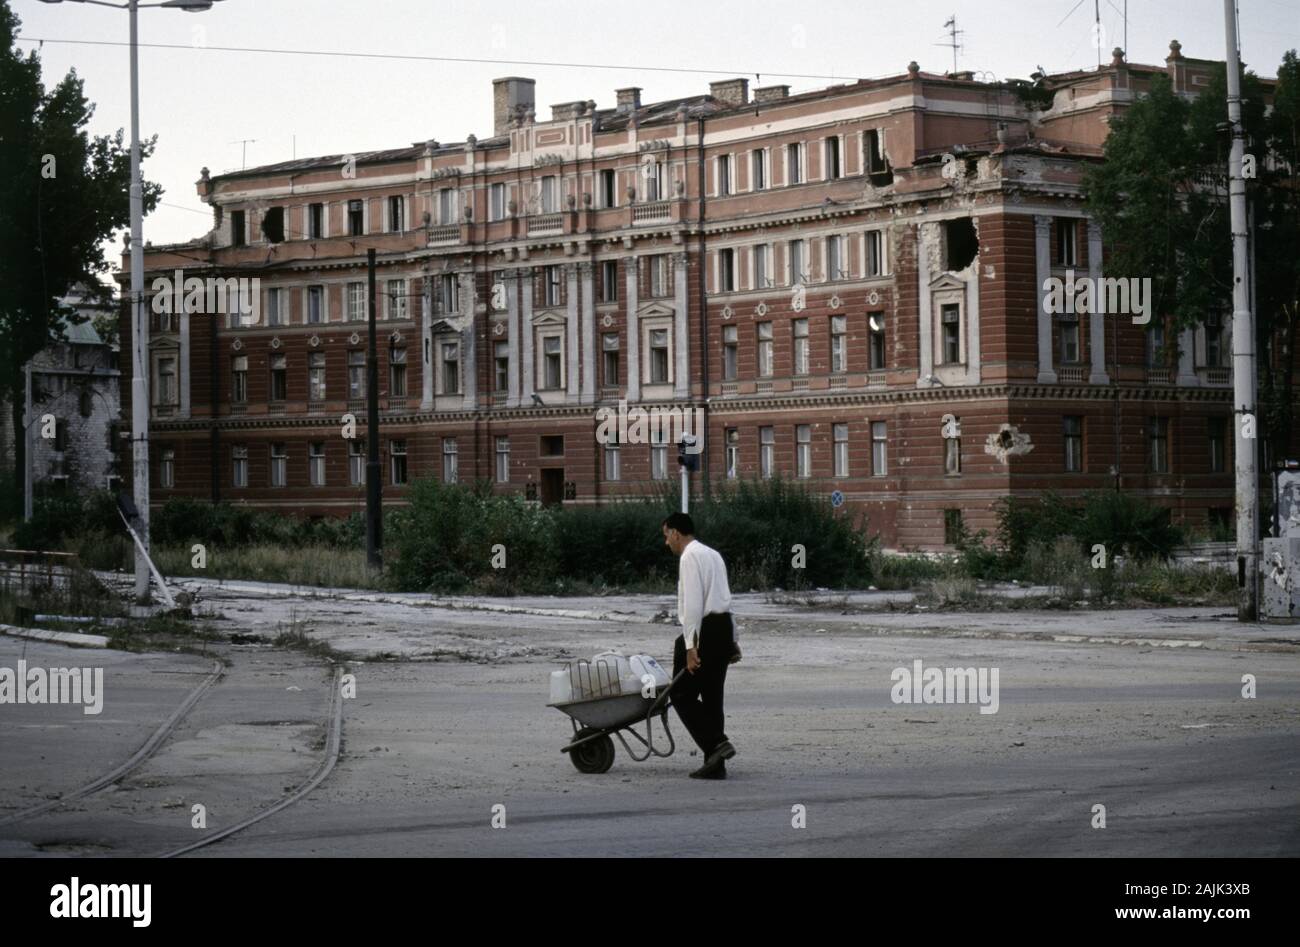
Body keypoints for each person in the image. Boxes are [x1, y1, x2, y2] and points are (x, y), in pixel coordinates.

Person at [662, 512, 739, 779]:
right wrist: (734, 641)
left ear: (675, 533)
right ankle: (715, 765)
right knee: (712, 698)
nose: (666, 542)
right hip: (723, 629)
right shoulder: (713, 554)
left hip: (703, 633)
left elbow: (693, 604)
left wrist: (690, 648)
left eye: (666, 535)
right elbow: (726, 598)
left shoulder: (689, 556)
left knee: (681, 694)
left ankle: (716, 744)